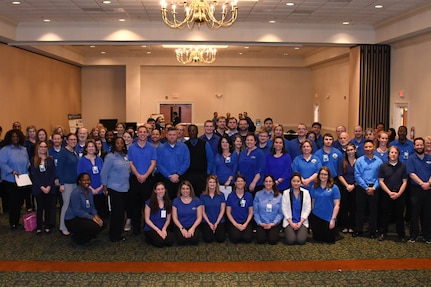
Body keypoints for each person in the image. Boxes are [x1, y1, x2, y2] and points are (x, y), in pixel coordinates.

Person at [127, 125, 157, 235]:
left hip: (148, 179)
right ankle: (136, 228)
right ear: (137, 133)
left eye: (145, 132)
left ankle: (147, 226)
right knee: (135, 205)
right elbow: (131, 163)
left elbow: (153, 163)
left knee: (148, 205)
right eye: (141, 132)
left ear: (147, 134)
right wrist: (138, 175)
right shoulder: (131, 147)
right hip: (135, 179)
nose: (143, 134)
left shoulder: (152, 147)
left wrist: (145, 176)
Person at [101, 137, 131, 242]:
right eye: (117, 143)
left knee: (121, 213)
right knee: (116, 214)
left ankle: (118, 232)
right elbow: (104, 173)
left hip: (125, 188)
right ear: (114, 144)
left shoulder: (125, 156)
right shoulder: (110, 157)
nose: (119, 145)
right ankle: (114, 236)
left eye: (121, 143)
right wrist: (104, 187)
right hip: (114, 188)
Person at [0, 129, 31, 229]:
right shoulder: (5, 150)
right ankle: (13, 222)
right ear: (10, 138)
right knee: (13, 202)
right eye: (13, 136)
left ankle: (17, 221)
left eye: (17, 136)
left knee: (19, 202)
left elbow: (27, 163)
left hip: (22, 179)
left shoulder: (23, 149)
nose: (15, 138)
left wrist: (28, 173)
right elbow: (2, 163)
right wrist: (11, 171)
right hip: (10, 180)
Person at [353, 139, 383, 238]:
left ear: (374, 147)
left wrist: (373, 188)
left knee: (373, 211)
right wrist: (366, 188)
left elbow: (380, 177)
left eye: (370, 147)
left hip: (374, 188)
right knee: (360, 210)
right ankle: (358, 230)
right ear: (363, 148)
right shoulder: (359, 161)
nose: (368, 149)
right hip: (362, 188)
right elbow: (357, 175)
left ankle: (372, 231)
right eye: (366, 147)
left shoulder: (379, 161)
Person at [378, 146, 408, 242]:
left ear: (398, 155)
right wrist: (389, 192)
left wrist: (398, 193)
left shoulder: (403, 166)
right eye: (391, 152)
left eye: (395, 153)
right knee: (385, 214)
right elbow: (381, 181)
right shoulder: (383, 166)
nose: (393, 154)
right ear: (388, 154)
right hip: (387, 194)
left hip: (399, 194)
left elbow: (405, 182)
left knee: (399, 215)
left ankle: (401, 235)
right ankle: (383, 233)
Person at [65, 173, 103, 245]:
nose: (87, 182)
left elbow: (91, 206)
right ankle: (77, 239)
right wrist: (92, 218)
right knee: (95, 226)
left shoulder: (89, 191)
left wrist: (96, 216)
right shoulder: (75, 193)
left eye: (88, 180)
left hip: (83, 216)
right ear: (79, 181)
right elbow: (77, 211)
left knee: (102, 224)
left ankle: (87, 236)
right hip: (73, 219)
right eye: (84, 180)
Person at [407, 137, 431, 243]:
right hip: (416, 189)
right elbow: (411, 173)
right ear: (414, 146)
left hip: (429, 188)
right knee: (415, 213)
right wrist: (422, 183)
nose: (419, 147)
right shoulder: (411, 158)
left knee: (427, 213)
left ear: (424, 145)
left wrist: (429, 183)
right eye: (417, 145)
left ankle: (427, 236)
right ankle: (414, 235)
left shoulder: (429, 157)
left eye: (421, 145)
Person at [29, 141, 56, 234]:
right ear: (38, 148)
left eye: (45, 147)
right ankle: (39, 227)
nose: (43, 149)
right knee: (39, 208)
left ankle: (47, 226)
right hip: (38, 187)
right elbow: (34, 175)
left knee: (48, 207)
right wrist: (41, 187)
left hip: (49, 187)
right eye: (41, 147)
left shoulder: (50, 159)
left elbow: (53, 174)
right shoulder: (33, 159)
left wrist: (48, 186)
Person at [309, 166, 341, 244]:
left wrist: (333, 219)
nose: (323, 176)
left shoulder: (334, 188)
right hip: (317, 216)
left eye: (325, 174)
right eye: (321, 174)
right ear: (319, 175)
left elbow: (337, 205)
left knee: (329, 240)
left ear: (329, 176)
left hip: (329, 218)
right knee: (317, 239)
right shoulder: (314, 187)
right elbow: (312, 202)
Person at [157, 126, 190, 199]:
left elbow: (186, 162)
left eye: (174, 135)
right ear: (166, 135)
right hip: (166, 179)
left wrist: (178, 174)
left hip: (180, 177)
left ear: (177, 135)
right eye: (170, 135)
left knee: (181, 200)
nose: (172, 137)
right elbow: (159, 164)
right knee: (167, 201)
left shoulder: (184, 147)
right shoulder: (160, 148)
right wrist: (169, 176)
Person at [57, 133, 80, 236]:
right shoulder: (63, 152)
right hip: (66, 183)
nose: (73, 141)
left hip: (75, 182)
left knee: (73, 205)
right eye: (71, 139)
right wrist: (61, 183)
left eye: (74, 140)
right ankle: (62, 227)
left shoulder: (74, 152)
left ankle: (71, 224)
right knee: (66, 205)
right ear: (66, 141)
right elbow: (59, 169)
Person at [76, 140, 107, 218]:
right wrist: (91, 189)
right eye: (89, 146)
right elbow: (80, 176)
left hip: (100, 189)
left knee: (101, 212)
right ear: (86, 148)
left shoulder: (99, 160)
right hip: (87, 190)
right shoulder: (82, 161)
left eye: (93, 146)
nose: (91, 148)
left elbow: (104, 174)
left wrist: (101, 187)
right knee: (90, 212)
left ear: (96, 148)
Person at [184, 124, 214, 197]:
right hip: (189, 175)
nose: (192, 132)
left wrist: (207, 173)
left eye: (194, 131)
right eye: (190, 131)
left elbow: (210, 159)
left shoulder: (204, 144)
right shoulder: (184, 145)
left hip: (202, 175)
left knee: (201, 196)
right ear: (188, 132)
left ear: (197, 132)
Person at [282, 172, 311, 245]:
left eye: (298, 181)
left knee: (301, 241)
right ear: (291, 182)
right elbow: (284, 209)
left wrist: (301, 222)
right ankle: (292, 230)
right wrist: (291, 223)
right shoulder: (286, 193)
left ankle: (299, 230)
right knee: (291, 241)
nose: (296, 183)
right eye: (294, 181)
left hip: (302, 221)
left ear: (301, 182)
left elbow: (308, 208)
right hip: (289, 221)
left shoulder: (306, 193)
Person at [253, 175, 283, 244]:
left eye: (270, 181)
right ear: (263, 183)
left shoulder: (279, 195)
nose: (268, 183)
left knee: (273, 240)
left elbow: (280, 213)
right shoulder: (258, 194)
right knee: (260, 240)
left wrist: (273, 223)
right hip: (262, 223)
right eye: (266, 181)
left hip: (273, 223)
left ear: (273, 183)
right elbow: (255, 211)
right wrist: (260, 223)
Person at [143, 182, 175, 247]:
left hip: (163, 227)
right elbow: (147, 219)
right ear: (155, 191)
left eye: (162, 189)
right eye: (158, 189)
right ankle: (148, 237)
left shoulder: (168, 202)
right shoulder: (149, 202)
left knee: (170, 242)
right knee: (160, 243)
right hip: (151, 228)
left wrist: (164, 229)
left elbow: (168, 219)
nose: (160, 191)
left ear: (165, 190)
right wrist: (157, 230)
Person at [172, 181, 203, 245]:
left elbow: (199, 217)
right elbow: (174, 217)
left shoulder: (197, 200)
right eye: (183, 189)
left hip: (193, 225)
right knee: (182, 241)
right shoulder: (176, 201)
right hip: (180, 226)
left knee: (194, 241)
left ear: (190, 190)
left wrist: (192, 229)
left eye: (187, 189)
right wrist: (182, 229)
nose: (185, 191)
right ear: (180, 190)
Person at [226, 175, 254, 243]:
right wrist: (235, 224)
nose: (240, 183)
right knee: (235, 239)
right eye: (238, 181)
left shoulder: (249, 196)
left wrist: (245, 224)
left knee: (247, 239)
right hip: (234, 222)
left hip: (245, 222)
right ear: (235, 183)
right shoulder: (230, 196)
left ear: (244, 183)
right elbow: (228, 212)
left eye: (242, 181)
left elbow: (251, 212)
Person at [337, 142, 357, 234]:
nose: (350, 152)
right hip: (344, 187)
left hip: (356, 187)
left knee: (354, 207)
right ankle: (345, 226)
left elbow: (361, 175)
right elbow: (340, 175)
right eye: (348, 150)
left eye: (351, 150)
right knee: (344, 207)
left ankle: (352, 226)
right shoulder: (342, 162)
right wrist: (347, 186)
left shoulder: (359, 161)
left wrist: (353, 185)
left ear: (355, 150)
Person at [200, 175, 226, 243]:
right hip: (207, 221)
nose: (212, 184)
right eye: (210, 182)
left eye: (214, 182)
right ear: (207, 184)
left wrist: (217, 223)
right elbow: (202, 211)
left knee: (220, 239)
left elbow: (222, 210)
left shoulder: (221, 195)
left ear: (216, 184)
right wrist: (209, 223)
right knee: (208, 239)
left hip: (219, 221)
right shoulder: (203, 195)